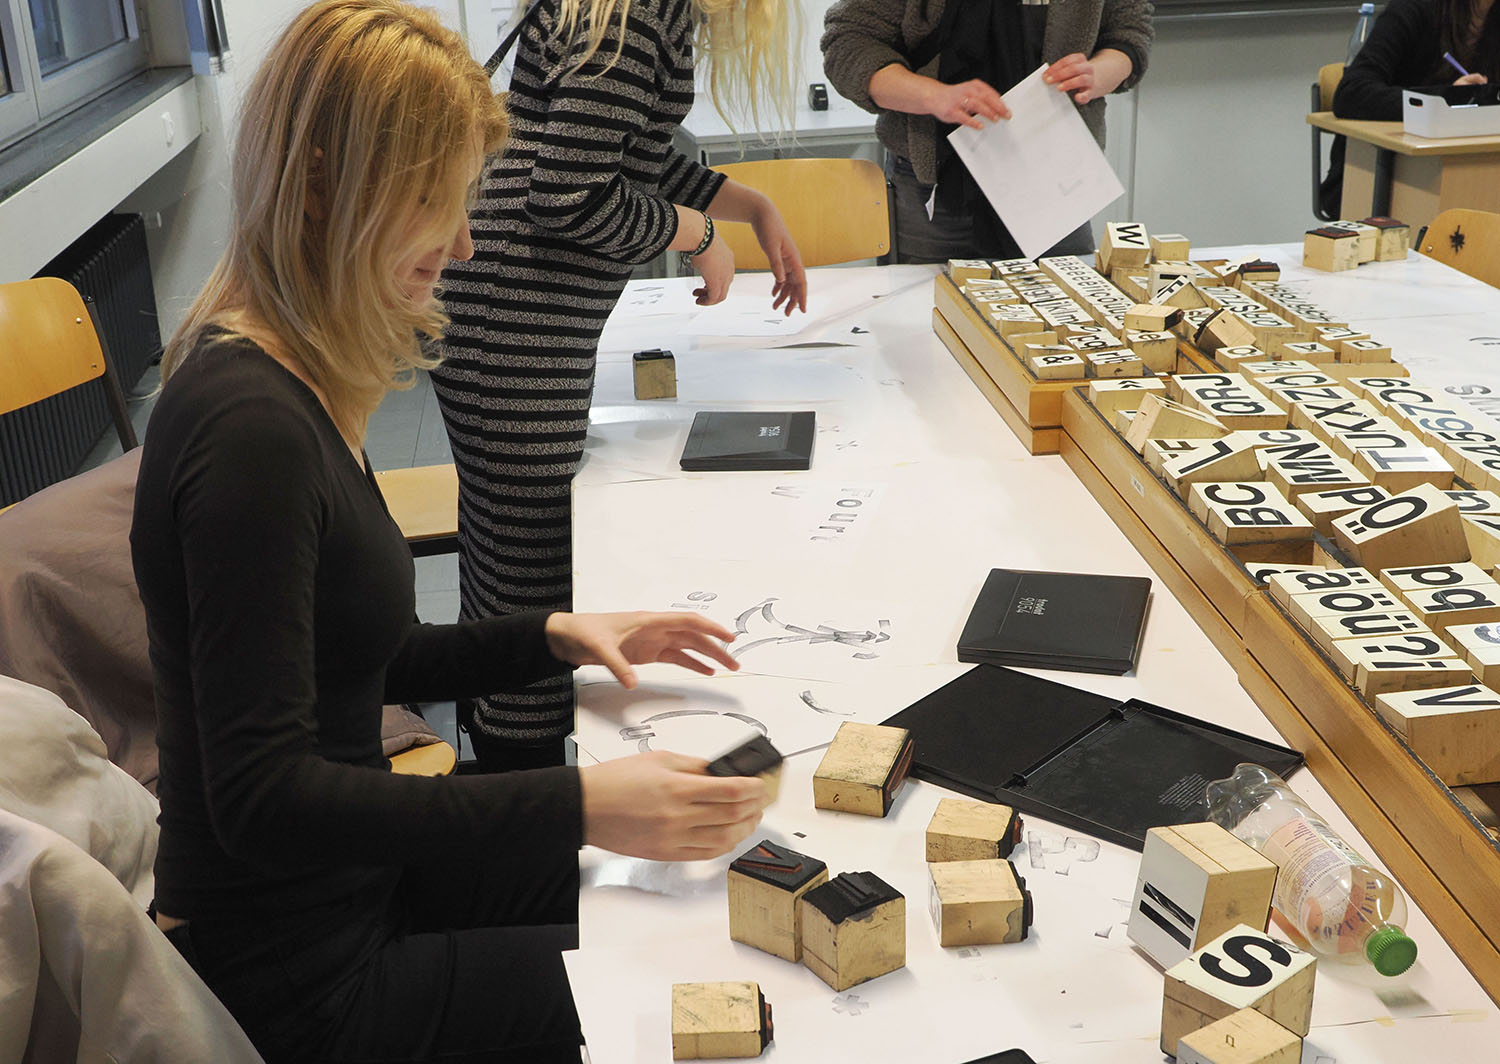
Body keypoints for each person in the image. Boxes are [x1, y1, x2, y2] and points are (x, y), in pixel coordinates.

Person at [129, 3, 769, 1061]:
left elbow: (362, 657)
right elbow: (263, 798)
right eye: (439, 204)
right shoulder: (251, 431)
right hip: (295, 974)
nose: (467, 244)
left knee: (682, 891)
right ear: (329, 184)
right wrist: (575, 801)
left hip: (353, 886)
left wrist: (555, 635)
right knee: (641, 990)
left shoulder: (300, 375)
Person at [436, 0, 809, 773]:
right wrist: (698, 233)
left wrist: (750, 207)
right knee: (531, 562)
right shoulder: (639, 15)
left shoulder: (640, 12)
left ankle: (505, 747)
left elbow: (627, 158)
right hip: (516, 313)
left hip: (510, 305)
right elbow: (566, 196)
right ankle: (520, 776)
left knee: (507, 544)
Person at [821, 0, 1154, 263]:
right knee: (926, 319)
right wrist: (933, 95)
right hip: (934, 191)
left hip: (1057, 183)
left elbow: (1129, 31)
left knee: (1065, 317)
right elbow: (849, 43)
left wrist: (1098, 73)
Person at [1322, 0, 1496, 217]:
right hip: (1383, 176)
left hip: (1474, 174)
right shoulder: (1412, 9)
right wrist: (1440, 101)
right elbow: (1351, 92)